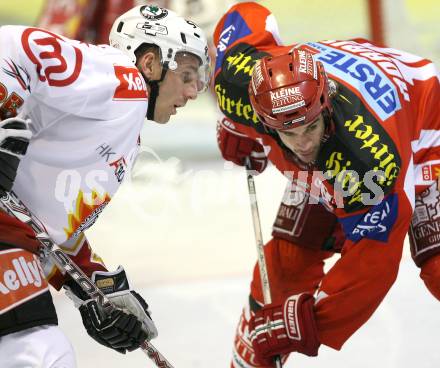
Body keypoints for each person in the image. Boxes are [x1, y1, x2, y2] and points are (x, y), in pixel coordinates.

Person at [213, 2, 440, 367]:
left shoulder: (370, 162)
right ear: (265, 120)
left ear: (326, 107)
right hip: (341, 138)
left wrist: (311, 323)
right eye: (288, 132)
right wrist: (237, 125)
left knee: (437, 264)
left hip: (425, 119)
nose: (302, 143)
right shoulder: (237, 89)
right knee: (286, 266)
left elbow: (373, 266)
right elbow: (245, 15)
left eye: (309, 127)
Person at [0, 4, 210, 367]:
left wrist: (97, 288)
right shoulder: (121, 81)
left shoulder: (124, 138)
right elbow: (12, 46)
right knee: (40, 354)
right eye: (187, 75)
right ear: (149, 64)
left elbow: (43, 224)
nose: (193, 92)